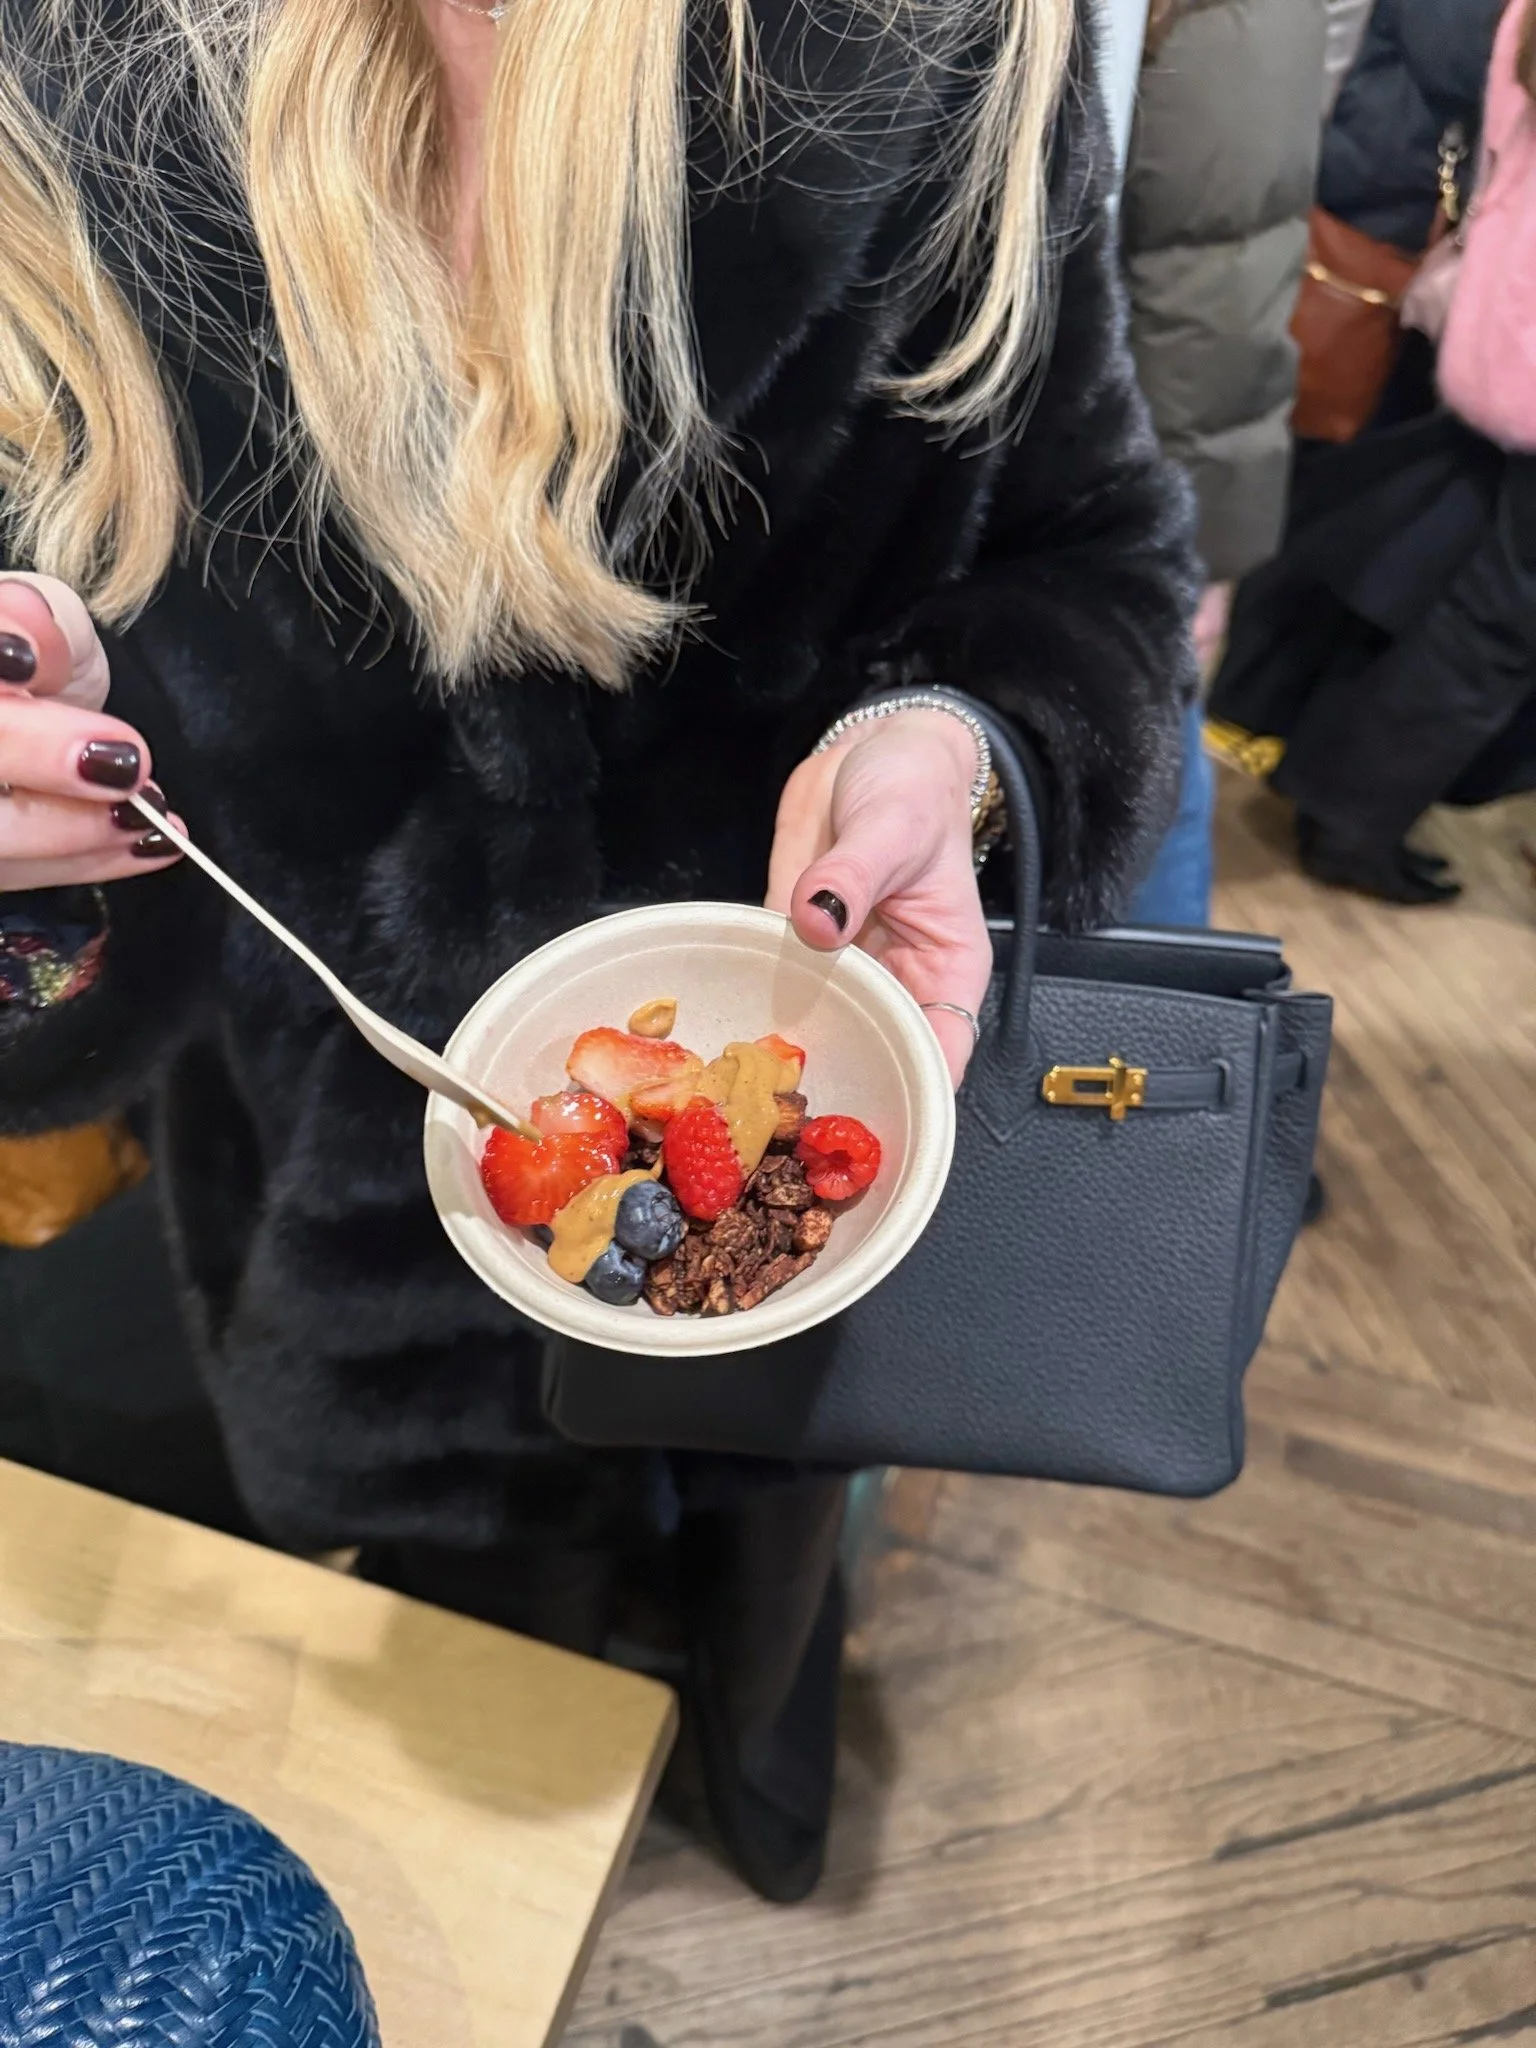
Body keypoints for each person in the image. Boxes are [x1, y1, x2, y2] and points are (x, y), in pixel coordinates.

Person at [0, 0, 1196, 1899]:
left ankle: (762, 1697)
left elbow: (1091, 553)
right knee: (491, 1717)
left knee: (778, 1551)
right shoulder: (65, 97)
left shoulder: (945, 38)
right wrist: (35, 874)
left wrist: (970, 753)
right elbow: (63, 927)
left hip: (823, 1136)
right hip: (359, 1223)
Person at [1211, 0, 1530, 903]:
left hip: (1488, 314)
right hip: (1495, 325)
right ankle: (1348, 809)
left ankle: (1325, 771)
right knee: (1495, 620)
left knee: (1432, 557)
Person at [1119, 0, 1327, 928]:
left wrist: (1187, 545)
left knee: (1144, 773)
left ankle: (1147, 1059)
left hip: (1113, 490)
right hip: (1085, 467)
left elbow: (1220, 268)